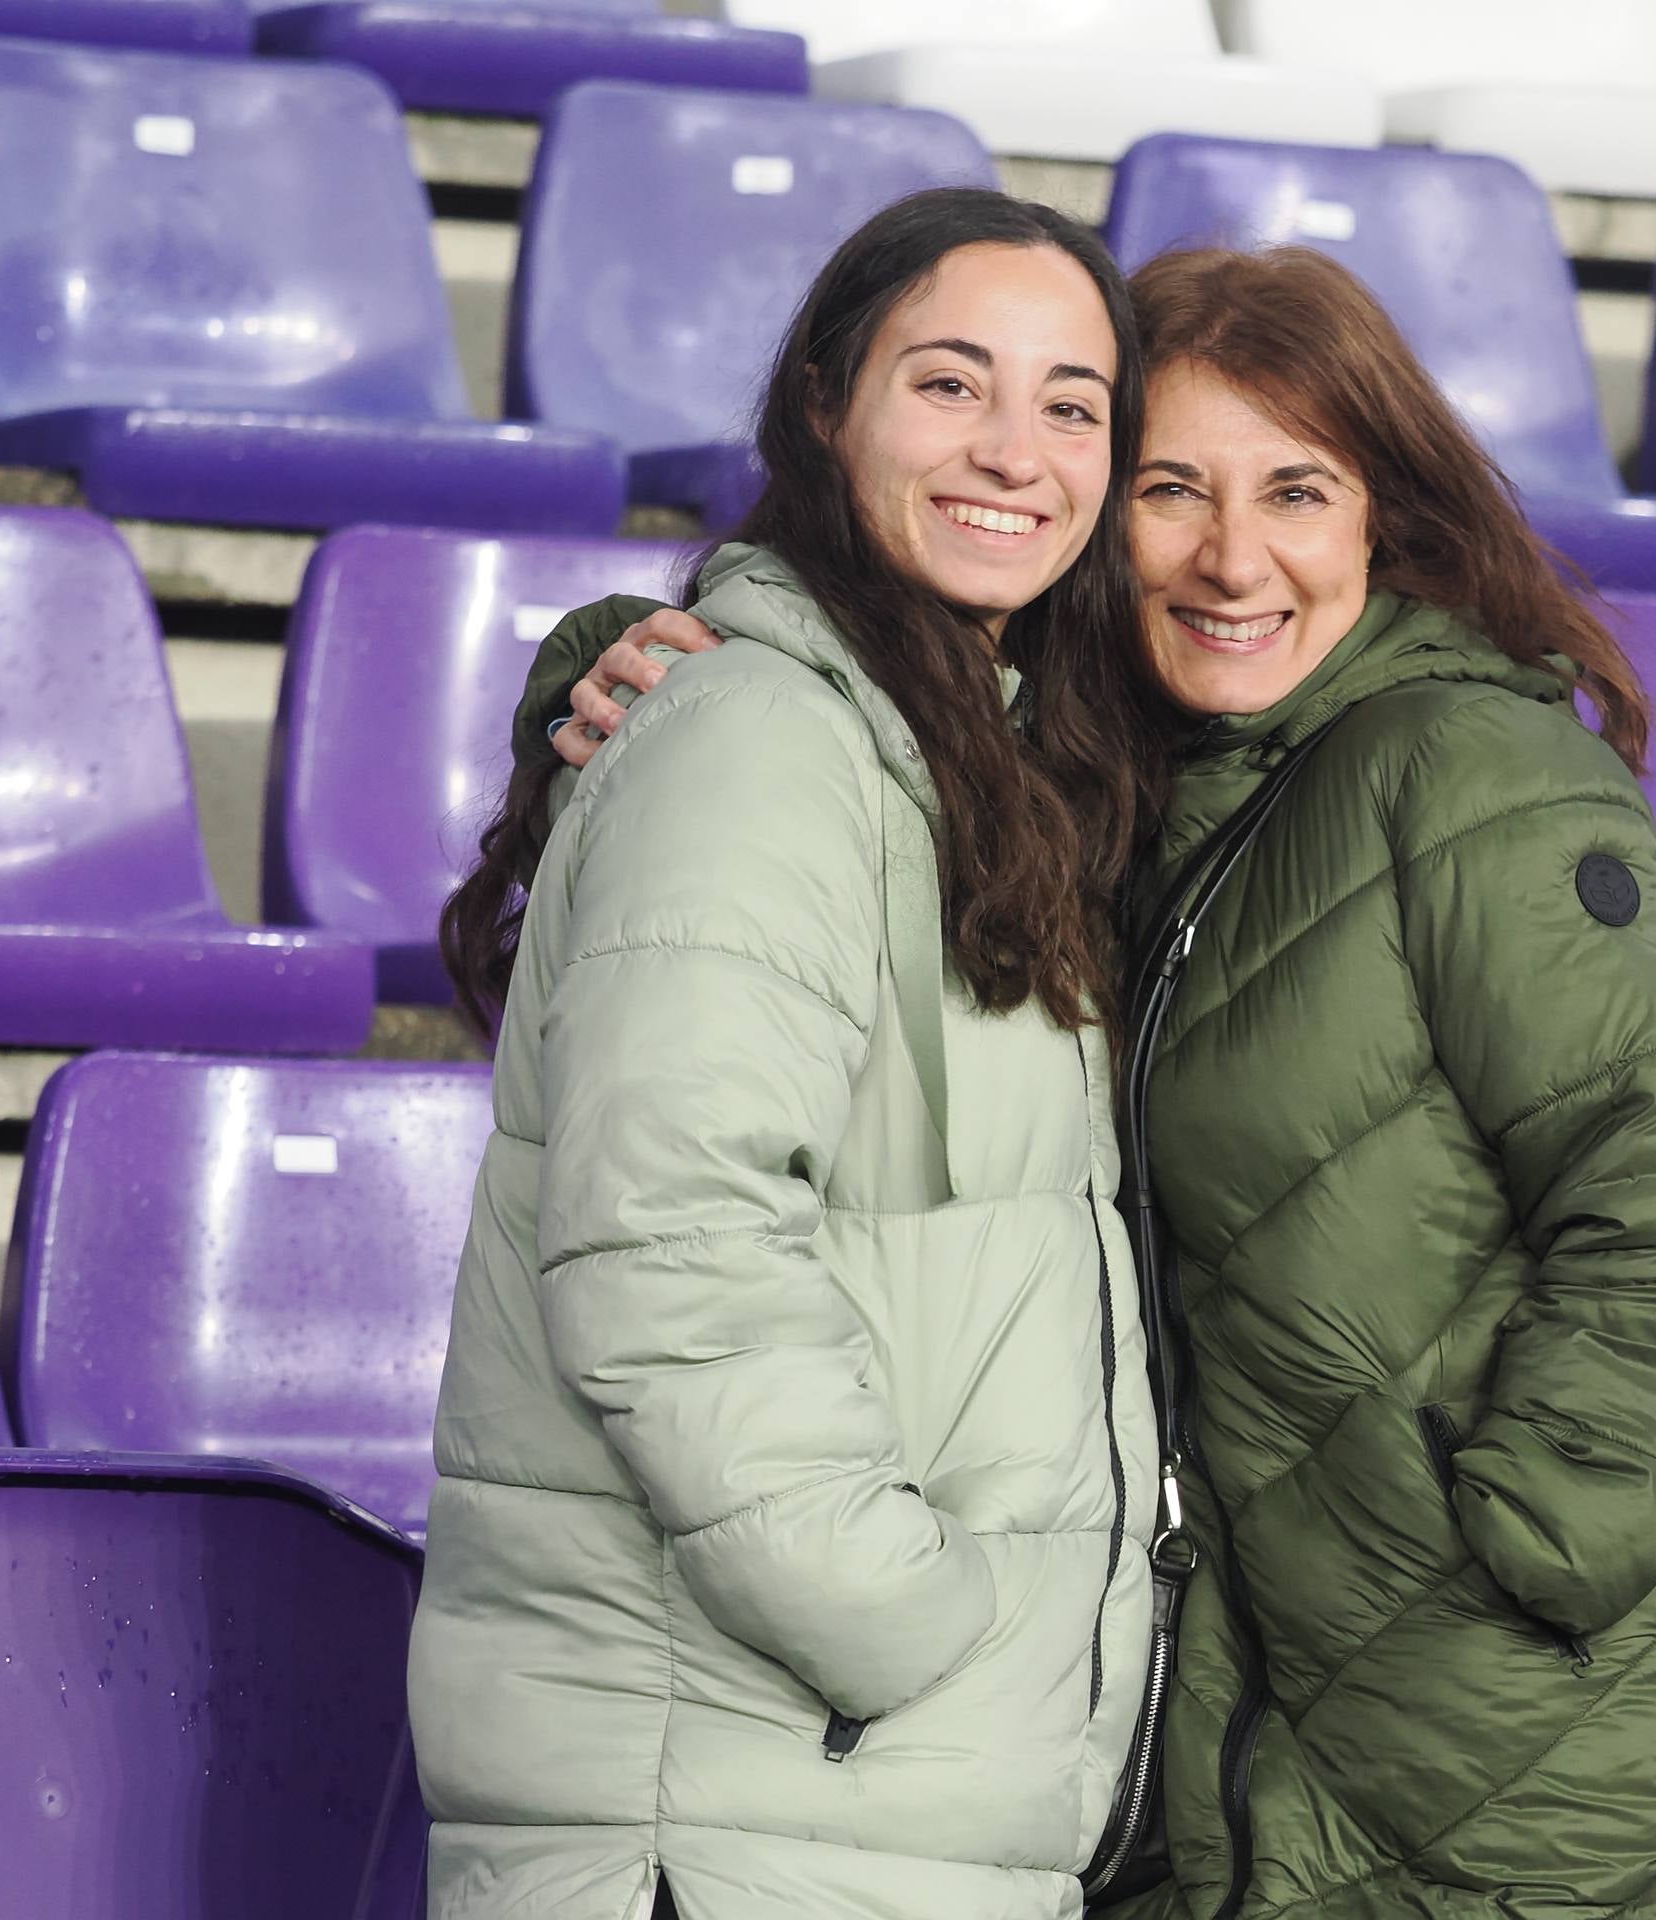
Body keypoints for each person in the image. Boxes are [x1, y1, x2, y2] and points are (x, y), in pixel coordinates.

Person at [527, 245, 1656, 1918]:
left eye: (1297, 490)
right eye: (1168, 491)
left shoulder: (1469, 773)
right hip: (1251, 1749)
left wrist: (1513, 1551)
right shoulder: (1120, 799)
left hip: (1542, 1755)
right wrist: (620, 670)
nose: (1232, 557)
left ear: (1383, 518)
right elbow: (816, 812)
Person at [409, 189, 1172, 1920]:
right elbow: (668, 1234)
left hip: (838, 1804)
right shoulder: (764, 739)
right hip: (753, 1792)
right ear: (823, 403)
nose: (1016, 449)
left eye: (1072, 406)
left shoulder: (980, 755)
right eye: (949, 384)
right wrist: (894, 1618)